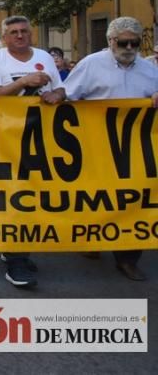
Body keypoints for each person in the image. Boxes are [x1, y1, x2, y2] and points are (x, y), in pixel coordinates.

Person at [63, 17, 158, 281]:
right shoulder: (91, 65)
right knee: (95, 196)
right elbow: (69, 95)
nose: (129, 47)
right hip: (96, 146)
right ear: (110, 41)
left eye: (135, 43)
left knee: (133, 200)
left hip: (135, 149)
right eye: (124, 42)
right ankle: (92, 238)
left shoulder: (151, 70)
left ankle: (127, 258)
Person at [0, 15, 65, 288]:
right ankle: (16, 260)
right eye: (13, 32)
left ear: (31, 34)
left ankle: (17, 248)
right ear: (5, 38)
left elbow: (59, 87)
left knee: (34, 195)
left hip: (41, 137)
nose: (19, 35)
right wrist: (24, 82)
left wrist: (59, 95)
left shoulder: (43, 56)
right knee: (15, 196)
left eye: (24, 31)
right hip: (6, 138)